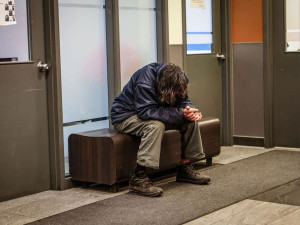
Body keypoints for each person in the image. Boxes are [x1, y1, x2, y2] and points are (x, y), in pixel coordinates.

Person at [111, 62, 210, 197]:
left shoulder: (179, 78)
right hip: (126, 116)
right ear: (163, 87)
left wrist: (188, 111)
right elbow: (145, 111)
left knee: (190, 122)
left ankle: (185, 167)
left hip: (153, 113)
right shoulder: (144, 82)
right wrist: (180, 113)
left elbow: (183, 100)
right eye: (173, 92)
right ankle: (138, 177)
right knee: (155, 126)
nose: (176, 94)